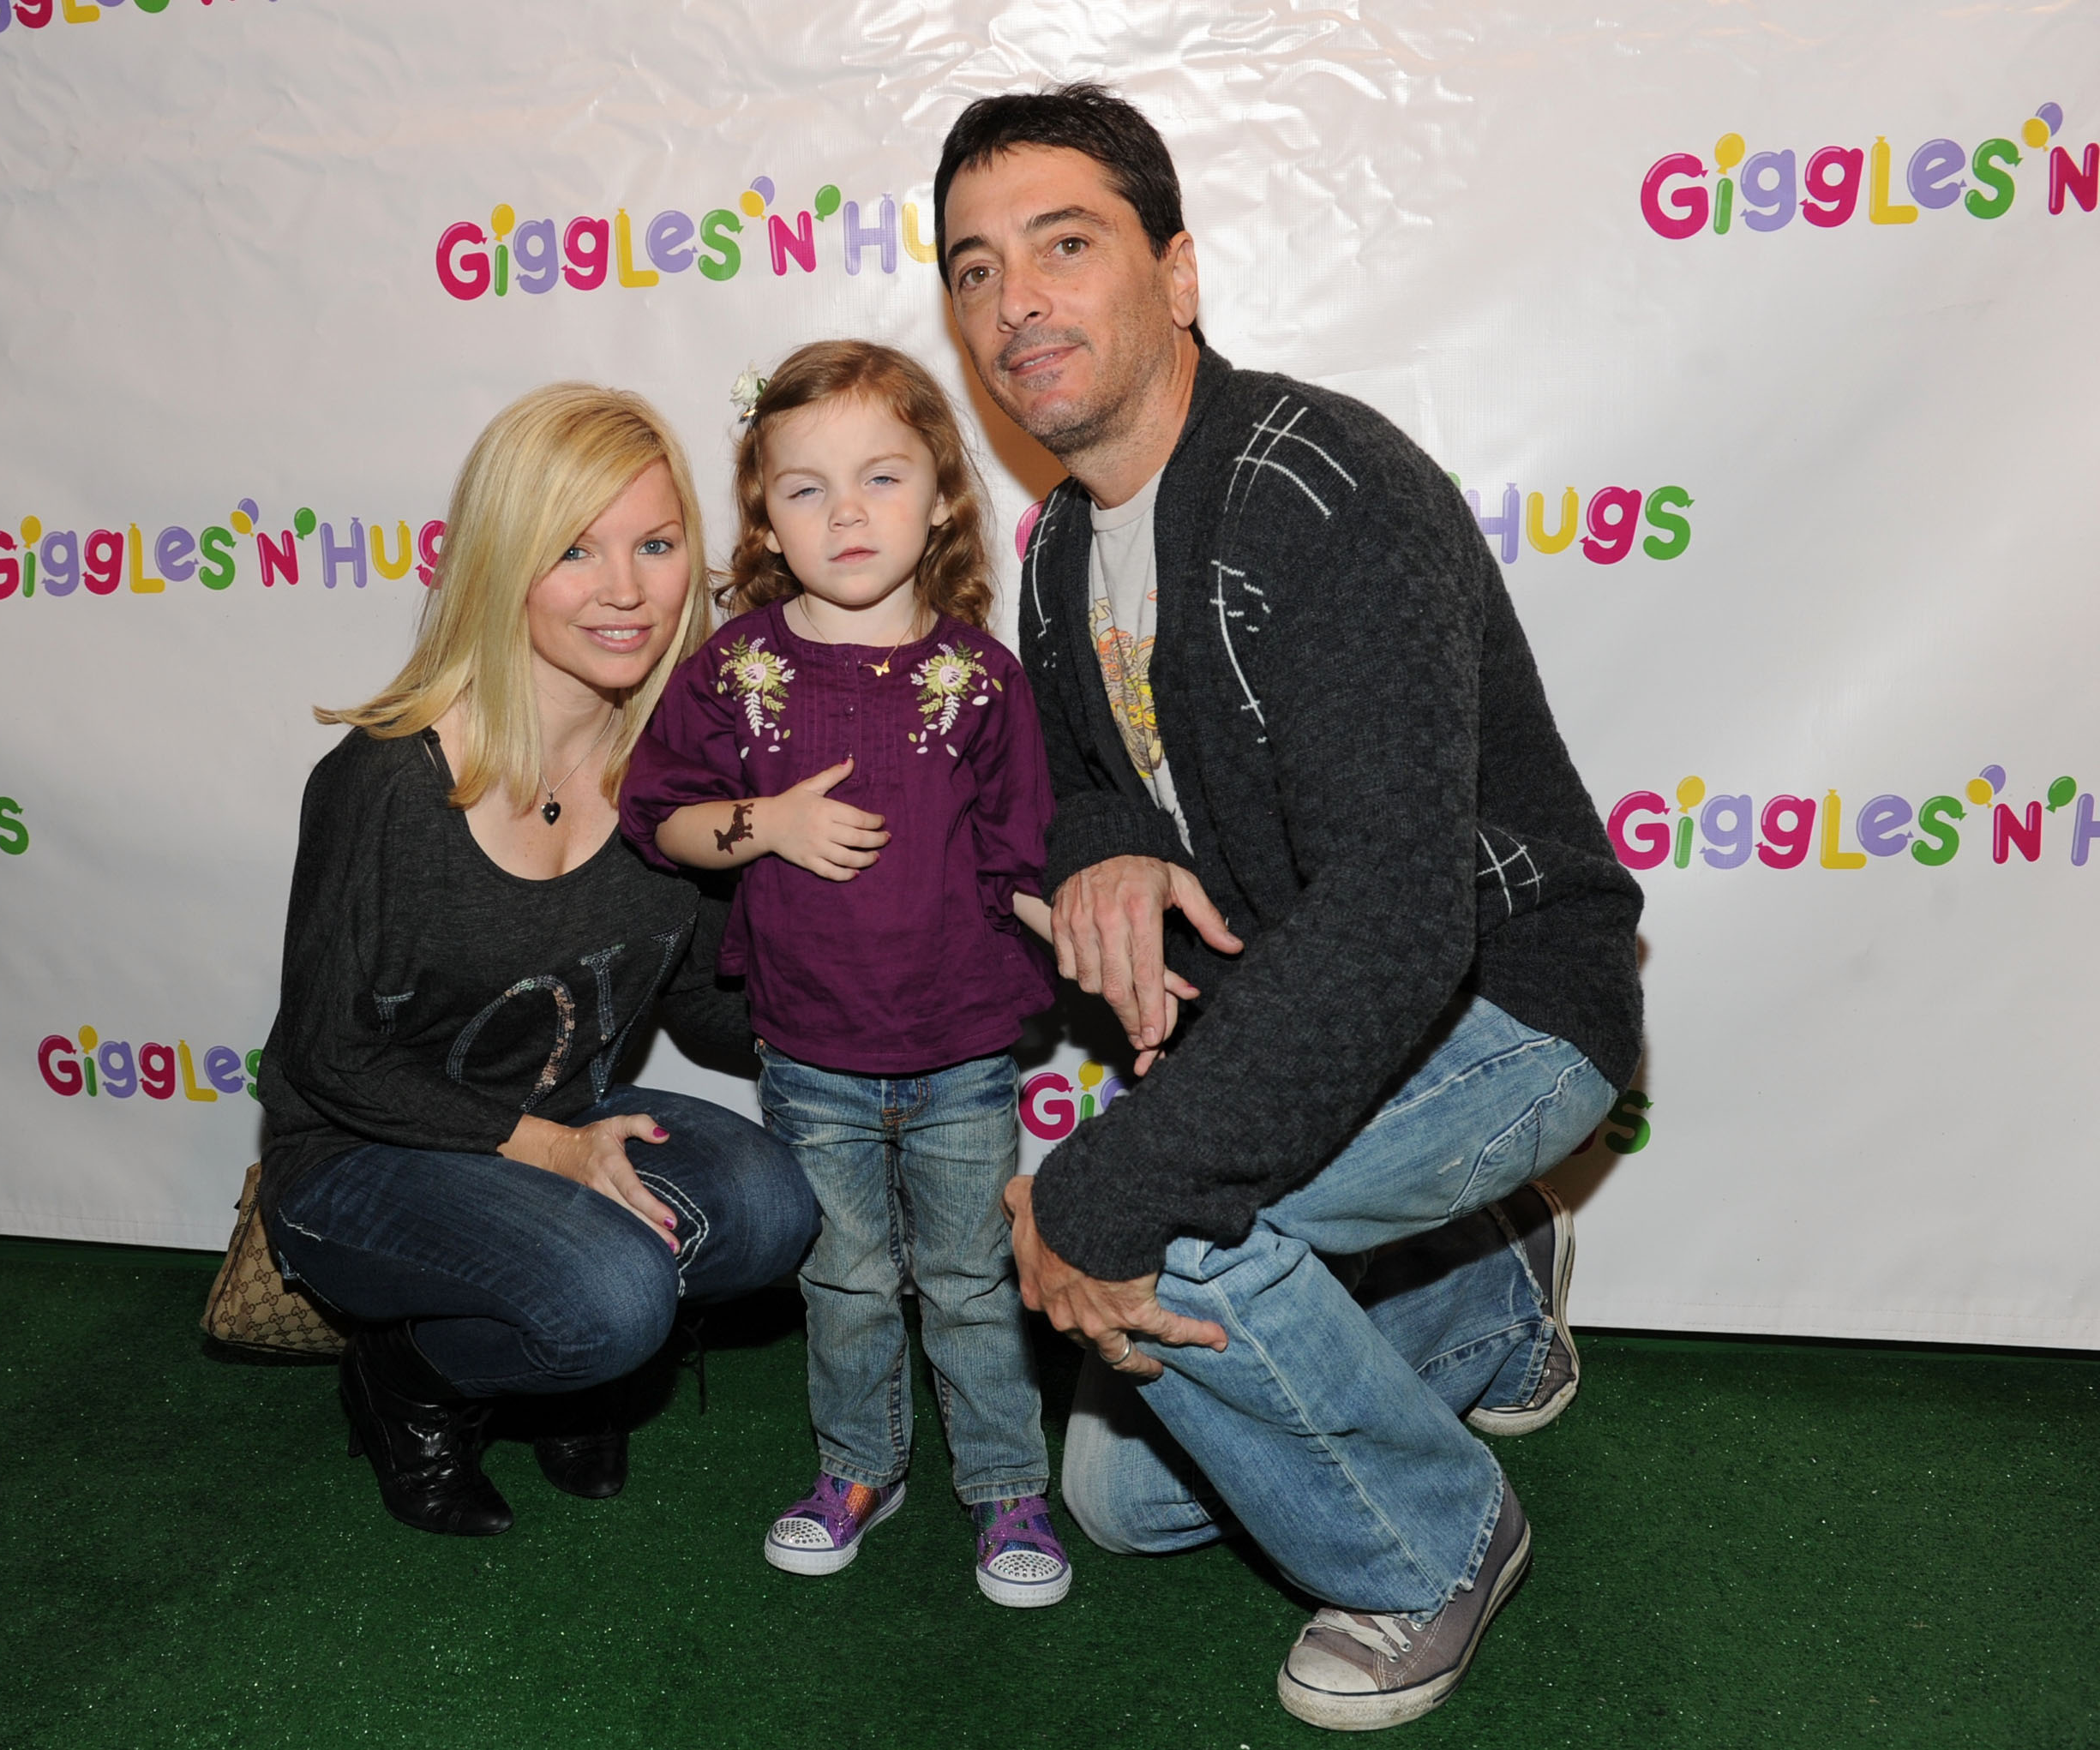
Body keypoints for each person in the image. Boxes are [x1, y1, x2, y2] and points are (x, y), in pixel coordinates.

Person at [933, 87, 1646, 1728]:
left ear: (1177, 273)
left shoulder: (1323, 488)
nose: (1016, 299)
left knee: (1159, 1229)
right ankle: (1487, 1298)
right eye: (975, 268)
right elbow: (1097, 770)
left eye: (1065, 243)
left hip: (1511, 1007)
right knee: (1123, 1503)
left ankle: (1437, 1544)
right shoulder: (1055, 549)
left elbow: (1405, 919)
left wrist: (1102, 1185)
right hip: (1332, 1006)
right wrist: (1100, 840)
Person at [255, 383, 820, 1539]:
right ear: (502, 565)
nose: (625, 590)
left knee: (769, 1208)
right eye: (574, 549)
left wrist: (871, 967)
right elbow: (325, 1057)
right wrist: (552, 1147)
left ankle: (565, 1362)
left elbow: (714, 1014)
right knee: (614, 1296)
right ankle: (414, 1375)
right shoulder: (391, 779)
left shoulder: (680, 775)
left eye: (656, 545)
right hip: (363, 1158)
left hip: (563, 1120)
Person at [618, 340, 1075, 1606]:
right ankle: (860, 1469)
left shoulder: (980, 679)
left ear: (941, 499)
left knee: (975, 1282)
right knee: (847, 1279)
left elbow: (1021, 860)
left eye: (881, 476)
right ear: (763, 512)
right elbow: (658, 814)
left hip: (966, 1056)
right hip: (808, 1055)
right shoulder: (735, 668)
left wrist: (1110, 947)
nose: (848, 512)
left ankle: (1007, 1489)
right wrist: (766, 822)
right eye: (806, 486)